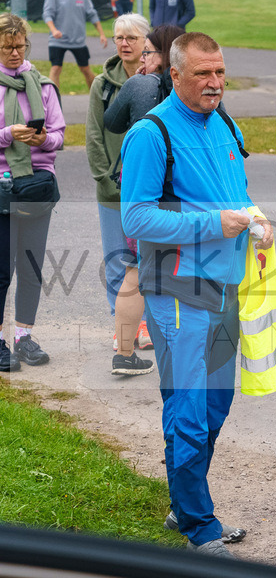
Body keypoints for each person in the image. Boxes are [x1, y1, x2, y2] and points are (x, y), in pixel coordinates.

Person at [120, 32, 272, 557]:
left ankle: (183, 501)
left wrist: (255, 217)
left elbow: (232, 196)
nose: (215, 83)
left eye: (221, 72)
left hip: (227, 285)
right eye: (203, 74)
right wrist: (216, 222)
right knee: (188, 405)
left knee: (216, 403)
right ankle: (198, 527)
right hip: (177, 289)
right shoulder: (151, 133)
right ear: (176, 75)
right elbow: (135, 217)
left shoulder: (225, 122)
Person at [103, 24, 184, 376]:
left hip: (143, 194)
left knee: (136, 272)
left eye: (149, 51)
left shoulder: (139, 85)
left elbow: (110, 121)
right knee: (186, 272)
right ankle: (186, 346)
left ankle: (124, 351)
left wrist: (136, 83)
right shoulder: (191, 90)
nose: (144, 57)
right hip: (184, 195)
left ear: (164, 56)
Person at [85, 13, 154, 375]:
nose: (124, 43)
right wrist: (105, 178)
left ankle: (146, 326)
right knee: (118, 262)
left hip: (150, 192)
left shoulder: (156, 81)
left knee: (151, 262)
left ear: (147, 42)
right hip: (114, 189)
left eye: (131, 37)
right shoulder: (103, 84)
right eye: (118, 38)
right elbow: (94, 135)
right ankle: (123, 330)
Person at [0, 13, 66, 372]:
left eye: (19, 46)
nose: (14, 52)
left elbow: (58, 134)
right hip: (3, 185)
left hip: (37, 184)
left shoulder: (42, 86)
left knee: (30, 266)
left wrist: (43, 138)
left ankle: (23, 336)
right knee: (0, 271)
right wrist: (8, 134)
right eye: (7, 47)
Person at [43, 0, 108, 91]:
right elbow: (47, 14)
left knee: (86, 69)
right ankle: (53, 101)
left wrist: (101, 34)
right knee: (55, 68)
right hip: (57, 41)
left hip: (78, 41)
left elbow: (92, 14)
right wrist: (54, 30)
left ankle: (97, 97)